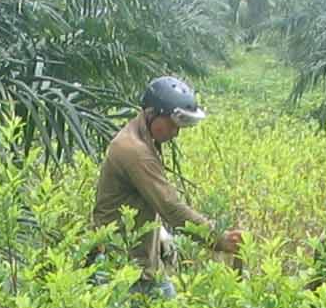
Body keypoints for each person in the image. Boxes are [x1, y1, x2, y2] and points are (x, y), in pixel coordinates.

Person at [92, 75, 242, 293]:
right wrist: (217, 238)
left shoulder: (140, 139)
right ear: (153, 114)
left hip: (141, 264)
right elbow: (170, 207)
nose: (175, 132)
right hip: (120, 268)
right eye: (172, 124)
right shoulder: (135, 151)